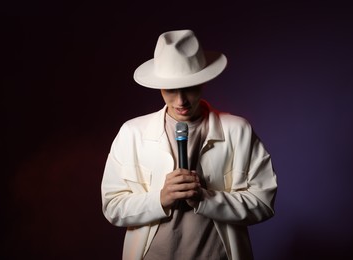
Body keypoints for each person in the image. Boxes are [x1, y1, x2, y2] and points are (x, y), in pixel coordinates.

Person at [101, 29, 277, 260]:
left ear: (203, 82)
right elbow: (113, 207)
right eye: (171, 90)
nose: (181, 101)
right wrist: (160, 198)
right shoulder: (132, 133)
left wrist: (206, 198)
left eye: (190, 87)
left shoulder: (238, 130)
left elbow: (263, 203)